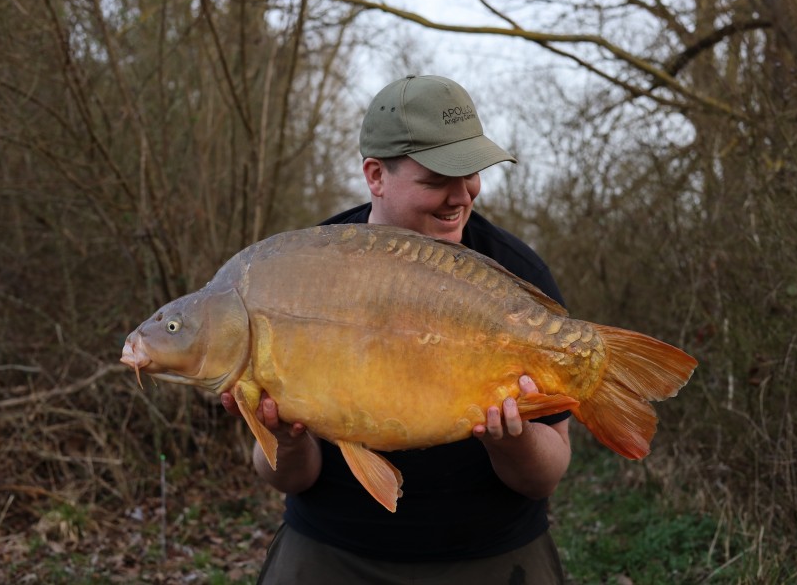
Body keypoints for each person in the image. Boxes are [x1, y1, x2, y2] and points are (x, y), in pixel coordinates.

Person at [220, 74, 572, 584]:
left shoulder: (518, 276)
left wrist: (510, 441)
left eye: (471, 173)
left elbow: (546, 476)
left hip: (492, 554)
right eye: (435, 181)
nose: (461, 196)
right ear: (375, 175)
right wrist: (285, 438)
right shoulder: (301, 271)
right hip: (333, 549)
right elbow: (291, 477)